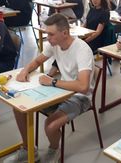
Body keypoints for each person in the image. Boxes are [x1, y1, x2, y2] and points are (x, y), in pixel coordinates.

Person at [5, 13, 94, 163]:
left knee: (50, 125)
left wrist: (53, 82)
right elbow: (37, 61)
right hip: (61, 91)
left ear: (64, 33)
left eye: (51, 34)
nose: (48, 38)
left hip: (80, 97)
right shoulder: (55, 44)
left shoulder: (82, 50)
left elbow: (83, 86)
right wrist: (25, 71)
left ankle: (54, 150)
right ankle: (28, 149)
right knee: (19, 108)